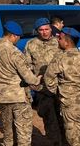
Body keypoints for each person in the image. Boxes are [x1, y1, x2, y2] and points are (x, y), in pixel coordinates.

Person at [0, 21, 41, 146]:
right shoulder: (15, 52)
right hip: (18, 96)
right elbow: (28, 77)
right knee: (23, 131)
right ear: (13, 35)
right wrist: (38, 79)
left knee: (7, 131)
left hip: (2, 95)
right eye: (18, 37)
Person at [24, 18, 63, 146]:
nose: (44, 32)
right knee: (49, 117)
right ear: (37, 31)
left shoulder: (59, 42)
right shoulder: (31, 44)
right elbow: (27, 66)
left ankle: (66, 141)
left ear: (51, 28)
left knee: (64, 116)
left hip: (60, 87)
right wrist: (33, 81)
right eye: (41, 30)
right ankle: (55, 142)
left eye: (46, 29)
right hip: (42, 89)